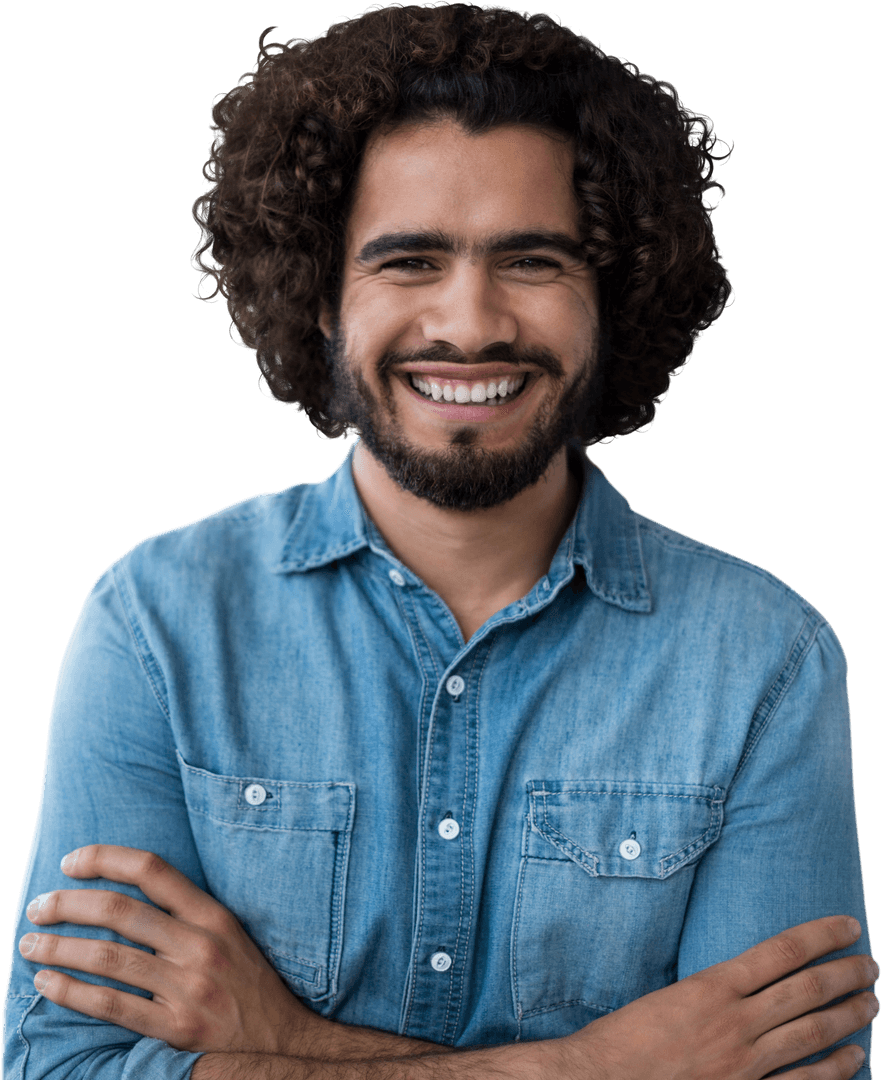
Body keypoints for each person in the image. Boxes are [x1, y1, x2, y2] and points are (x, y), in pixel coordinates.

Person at [3, 3, 875, 1078]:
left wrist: (283, 1044)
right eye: (408, 261)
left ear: (612, 296)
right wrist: (586, 1068)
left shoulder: (763, 661)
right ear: (318, 297)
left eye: (533, 261)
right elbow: (63, 1067)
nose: (468, 323)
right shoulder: (157, 624)